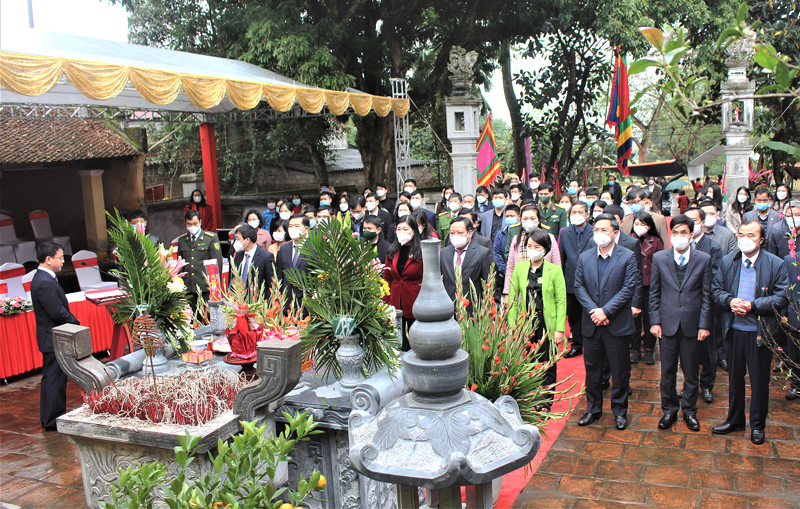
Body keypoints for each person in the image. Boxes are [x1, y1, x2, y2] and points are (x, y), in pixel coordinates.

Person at [712, 220, 788, 445]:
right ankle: (734, 420)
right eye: (741, 234)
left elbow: (781, 298)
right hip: (733, 330)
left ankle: (757, 425)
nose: (745, 239)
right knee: (735, 378)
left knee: (759, 381)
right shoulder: (728, 261)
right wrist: (730, 301)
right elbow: (716, 290)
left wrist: (753, 306)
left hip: (760, 332)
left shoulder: (775, 264)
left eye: (751, 235)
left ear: (761, 240)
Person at [573, 213, 638, 430]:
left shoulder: (627, 256)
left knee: (619, 371)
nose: (599, 234)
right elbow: (579, 286)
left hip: (616, 323)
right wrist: (595, 311)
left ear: (615, 233)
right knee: (592, 369)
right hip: (592, 323)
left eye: (604, 230)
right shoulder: (585, 256)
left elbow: (628, 288)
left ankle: (620, 411)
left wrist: (606, 311)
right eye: (596, 230)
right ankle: (593, 409)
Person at [649, 215, 713, 432]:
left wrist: (704, 325)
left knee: (691, 371)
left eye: (683, 233)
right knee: (667, 371)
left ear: (691, 235)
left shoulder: (703, 259)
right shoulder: (659, 258)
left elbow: (706, 295)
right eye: (674, 233)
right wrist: (654, 321)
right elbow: (654, 293)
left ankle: (689, 411)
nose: (679, 237)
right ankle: (669, 410)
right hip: (666, 324)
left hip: (692, 325)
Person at [508, 229, 567, 408]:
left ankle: (545, 401)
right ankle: (527, 398)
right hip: (526, 322)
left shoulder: (554, 270)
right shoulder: (520, 268)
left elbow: (561, 300)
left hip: (546, 322)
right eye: (529, 246)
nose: (532, 250)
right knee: (526, 360)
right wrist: (513, 326)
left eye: (537, 246)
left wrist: (559, 328)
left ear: (546, 249)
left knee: (547, 362)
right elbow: (512, 299)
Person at [30, 242, 80, 431]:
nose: (63, 262)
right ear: (48, 259)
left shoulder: (44, 278)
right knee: (54, 381)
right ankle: (52, 420)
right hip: (52, 338)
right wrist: (75, 322)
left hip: (50, 337)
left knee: (50, 379)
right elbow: (57, 313)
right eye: (60, 258)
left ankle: (49, 417)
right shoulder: (43, 281)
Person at [684, 206, 726, 396]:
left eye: (693, 221)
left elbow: (715, 277)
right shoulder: (680, 245)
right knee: (686, 348)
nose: (690, 225)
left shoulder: (713, 247)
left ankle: (707, 385)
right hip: (683, 305)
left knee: (707, 348)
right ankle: (688, 382)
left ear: (701, 222)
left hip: (704, 303)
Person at [558, 202, 594, 358]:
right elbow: (562, 258)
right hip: (570, 280)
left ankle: (591, 344)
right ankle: (578, 344)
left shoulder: (594, 231)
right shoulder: (565, 233)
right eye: (573, 212)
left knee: (589, 314)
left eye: (580, 212)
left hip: (591, 281)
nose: (576, 215)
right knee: (573, 316)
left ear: (587, 214)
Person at [502, 205, 562, 298]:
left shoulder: (550, 238)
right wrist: (507, 293)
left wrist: (557, 292)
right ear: (520, 220)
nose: (528, 221)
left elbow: (557, 265)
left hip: (545, 290)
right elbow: (510, 268)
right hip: (521, 290)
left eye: (532, 218)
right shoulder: (516, 240)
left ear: (538, 220)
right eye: (525, 218)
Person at [383, 215, 424, 351]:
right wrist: (385, 301)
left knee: (415, 340)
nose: (402, 233)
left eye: (405, 229)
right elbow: (387, 278)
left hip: (415, 301)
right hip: (395, 301)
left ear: (414, 230)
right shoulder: (392, 250)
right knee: (399, 341)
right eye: (398, 229)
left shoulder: (422, 251)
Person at [629, 211, 664, 365]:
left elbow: (661, 263)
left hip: (651, 284)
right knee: (634, 318)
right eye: (636, 223)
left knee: (650, 318)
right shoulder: (629, 239)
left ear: (649, 226)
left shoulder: (656, 241)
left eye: (643, 224)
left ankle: (649, 349)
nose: (639, 227)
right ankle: (636, 349)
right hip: (632, 285)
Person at [440, 217, 492, 315]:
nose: (455, 236)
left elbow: (487, 283)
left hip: (472, 310)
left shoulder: (482, 253)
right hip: (447, 309)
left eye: (460, 233)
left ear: (470, 233)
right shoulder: (443, 253)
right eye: (452, 233)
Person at [178, 210, 223, 311]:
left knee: (206, 318)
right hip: (188, 287)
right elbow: (180, 265)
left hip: (204, 287)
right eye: (189, 224)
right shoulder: (182, 240)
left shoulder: (210, 239)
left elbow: (216, 264)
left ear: (200, 222)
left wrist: (213, 287)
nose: (192, 226)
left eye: (195, 223)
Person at [275, 214, 312, 310]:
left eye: (297, 226)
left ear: (306, 229)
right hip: (286, 304)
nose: (292, 229)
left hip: (306, 304)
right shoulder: (284, 248)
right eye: (290, 226)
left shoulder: (314, 248)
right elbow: (279, 275)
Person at [232, 224, 275, 297]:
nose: (236, 242)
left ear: (247, 240)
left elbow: (271, 284)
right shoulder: (238, 256)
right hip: (239, 301)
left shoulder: (266, 257)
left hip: (257, 301)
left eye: (238, 239)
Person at [491, 204, 522, 302]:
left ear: (519, 217)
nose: (509, 218)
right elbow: (496, 252)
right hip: (505, 273)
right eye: (507, 216)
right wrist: (504, 269)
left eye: (512, 216)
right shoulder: (501, 233)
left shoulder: (522, 232)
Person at [782, 254, 800, 401]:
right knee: (794, 353)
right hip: (795, 315)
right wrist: (784, 314)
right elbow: (785, 289)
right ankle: (796, 384)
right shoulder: (790, 260)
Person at [743, 187, 782, 252]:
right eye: (759, 200)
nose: (762, 202)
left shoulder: (776, 216)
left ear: (769, 200)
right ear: (754, 200)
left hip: (771, 251)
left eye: (765, 200)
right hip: (753, 250)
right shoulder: (747, 216)